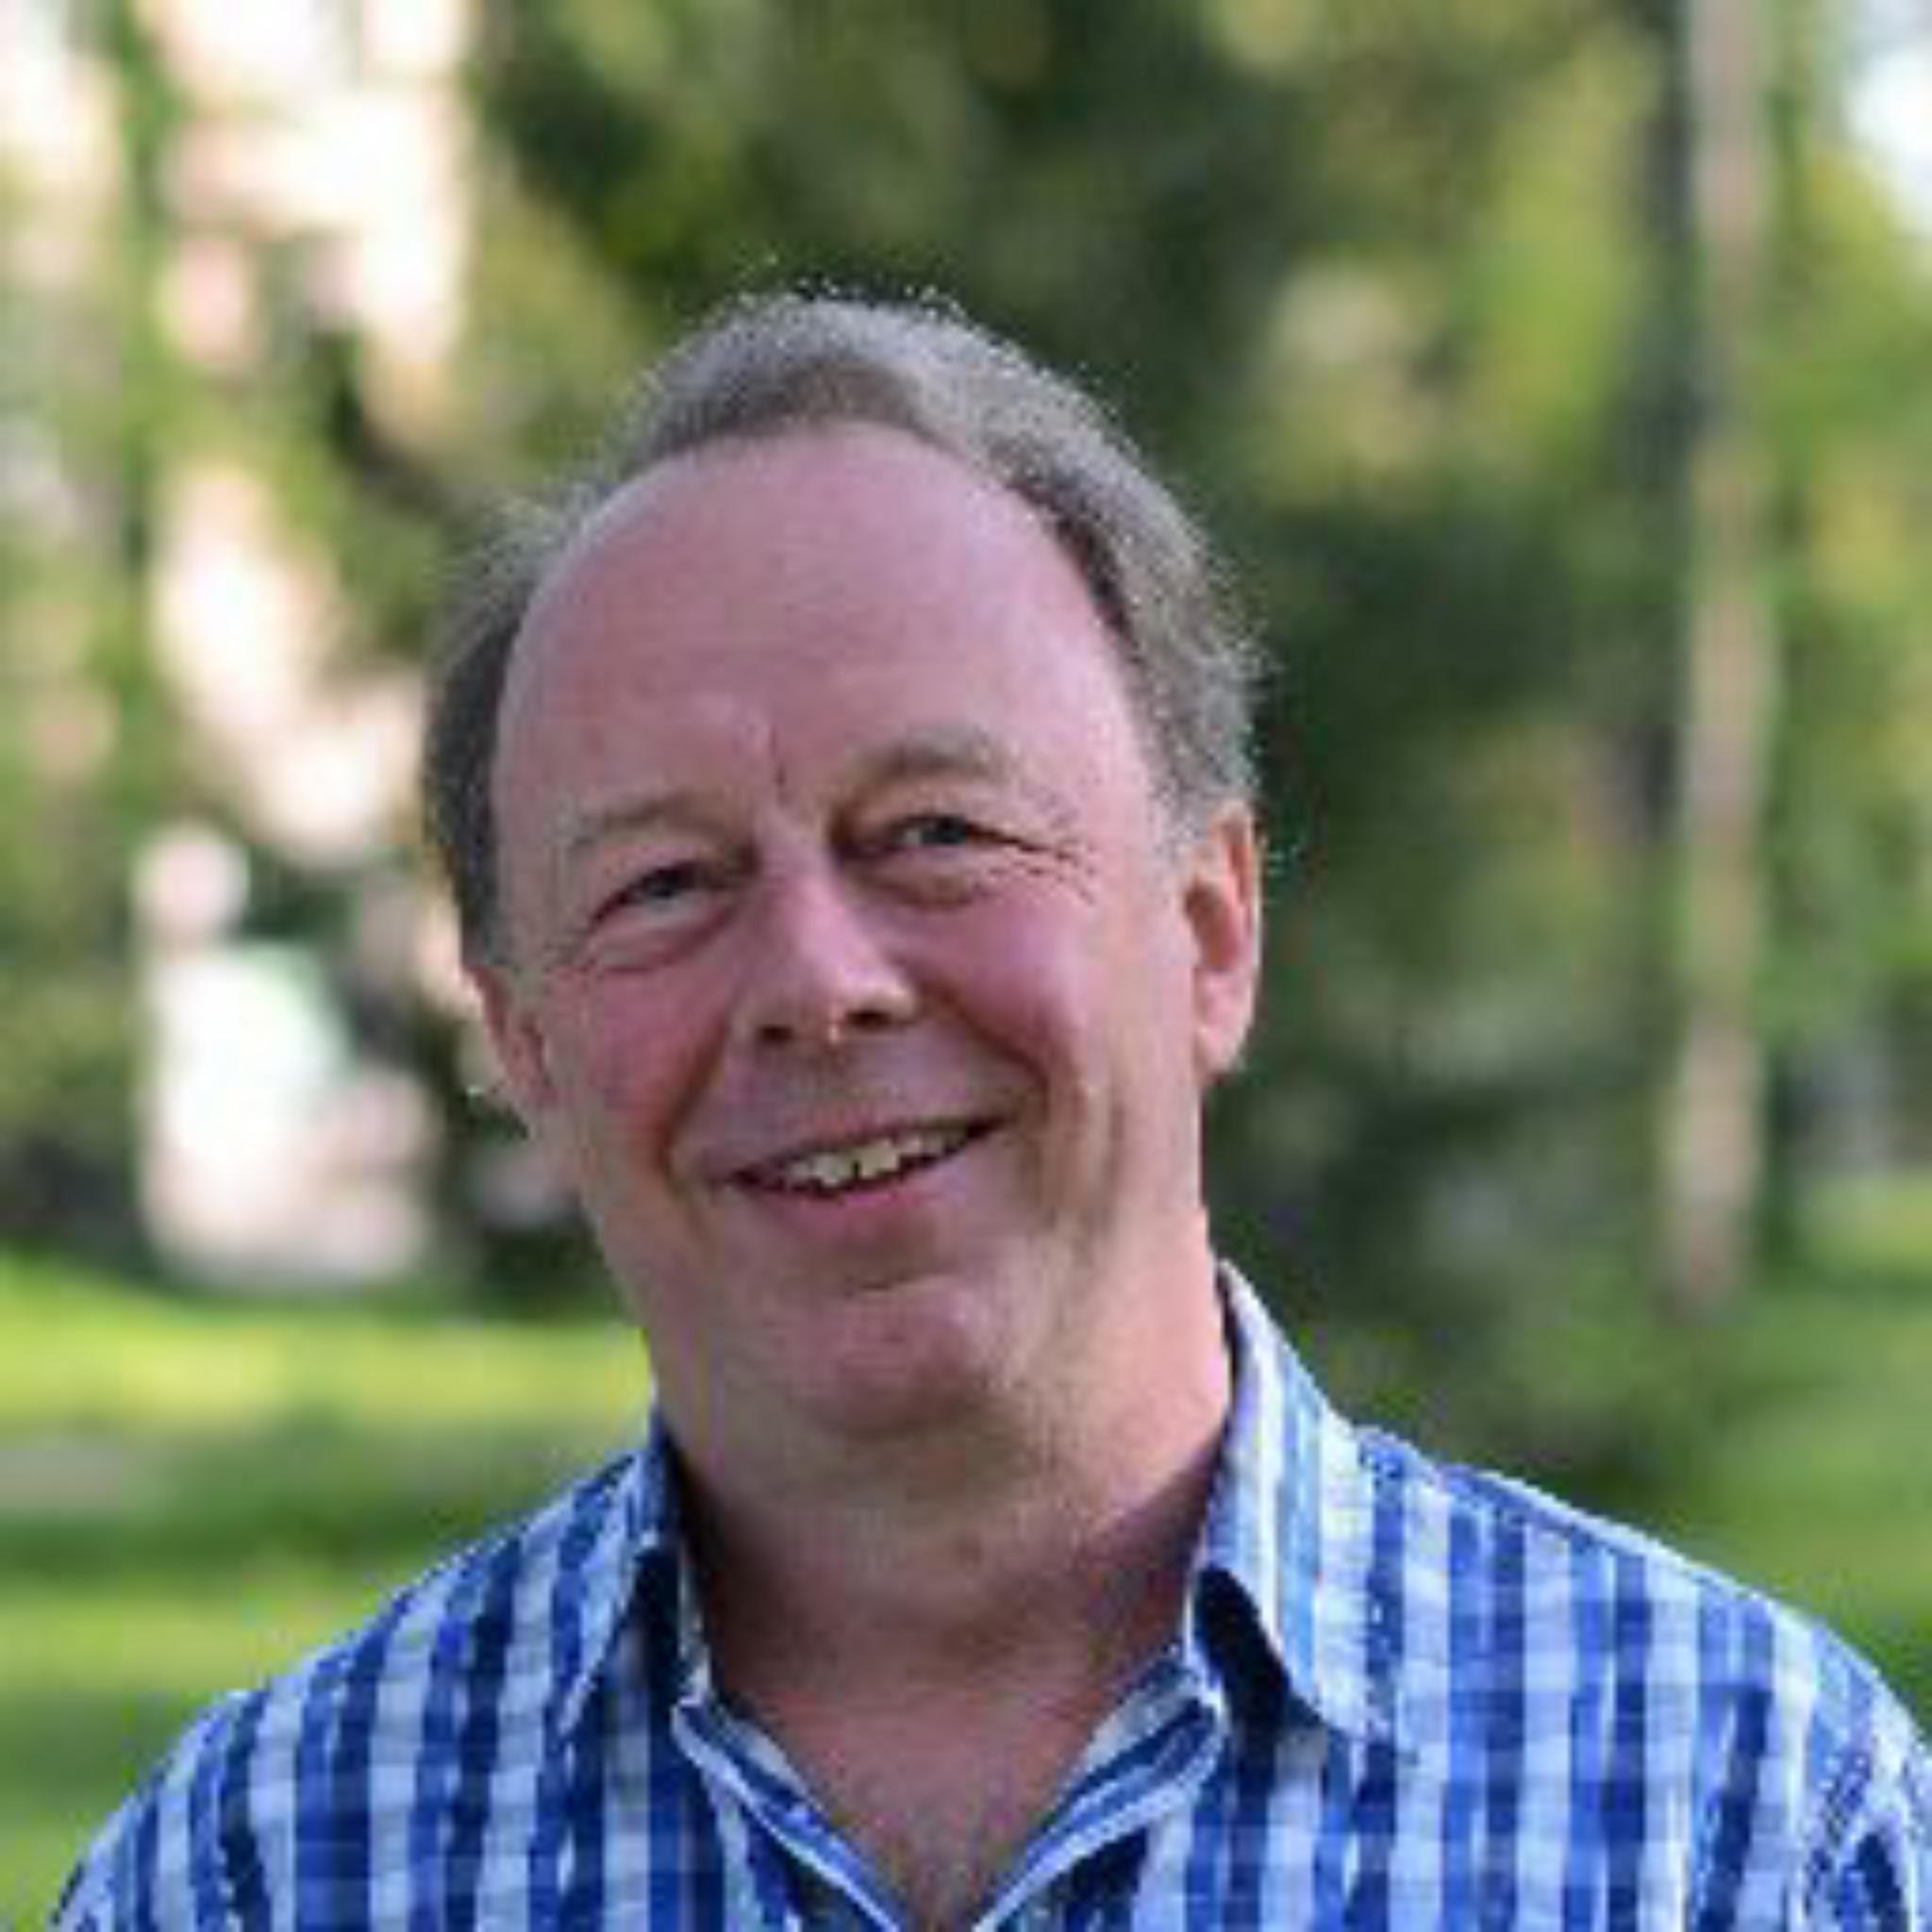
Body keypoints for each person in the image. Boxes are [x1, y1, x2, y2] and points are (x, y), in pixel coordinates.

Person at [59, 291, 1929, 1930]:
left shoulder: (1741, 1826)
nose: (816, 979)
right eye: (663, 884)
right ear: (524, 1040)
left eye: (936, 831)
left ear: (1208, 932)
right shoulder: (259, 1869)